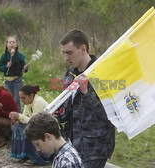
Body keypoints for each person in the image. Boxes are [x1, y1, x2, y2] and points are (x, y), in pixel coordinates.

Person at [57, 29, 115, 168]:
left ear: (83, 49)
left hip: (94, 147)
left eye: (69, 53)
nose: (65, 57)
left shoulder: (102, 73)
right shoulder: (70, 73)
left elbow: (111, 113)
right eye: (63, 53)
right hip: (71, 142)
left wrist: (86, 92)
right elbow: (67, 103)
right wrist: (58, 112)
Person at [9, 85, 49, 166]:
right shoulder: (28, 103)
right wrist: (17, 119)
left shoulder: (38, 102)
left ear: (31, 96)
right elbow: (25, 117)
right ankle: (24, 154)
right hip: (37, 124)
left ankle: (37, 157)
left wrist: (19, 116)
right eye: (20, 98)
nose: (22, 100)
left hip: (45, 127)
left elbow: (35, 121)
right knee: (17, 126)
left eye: (23, 97)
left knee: (29, 130)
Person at [0, 35, 29, 112]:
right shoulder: (4, 56)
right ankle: (10, 114)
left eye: (13, 42)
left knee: (17, 99)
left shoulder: (20, 56)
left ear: (17, 44)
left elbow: (23, 69)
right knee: (9, 98)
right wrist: (6, 66)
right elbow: (0, 67)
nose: (12, 44)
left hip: (17, 80)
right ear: (6, 44)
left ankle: (18, 116)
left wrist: (25, 68)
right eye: (10, 42)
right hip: (7, 81)